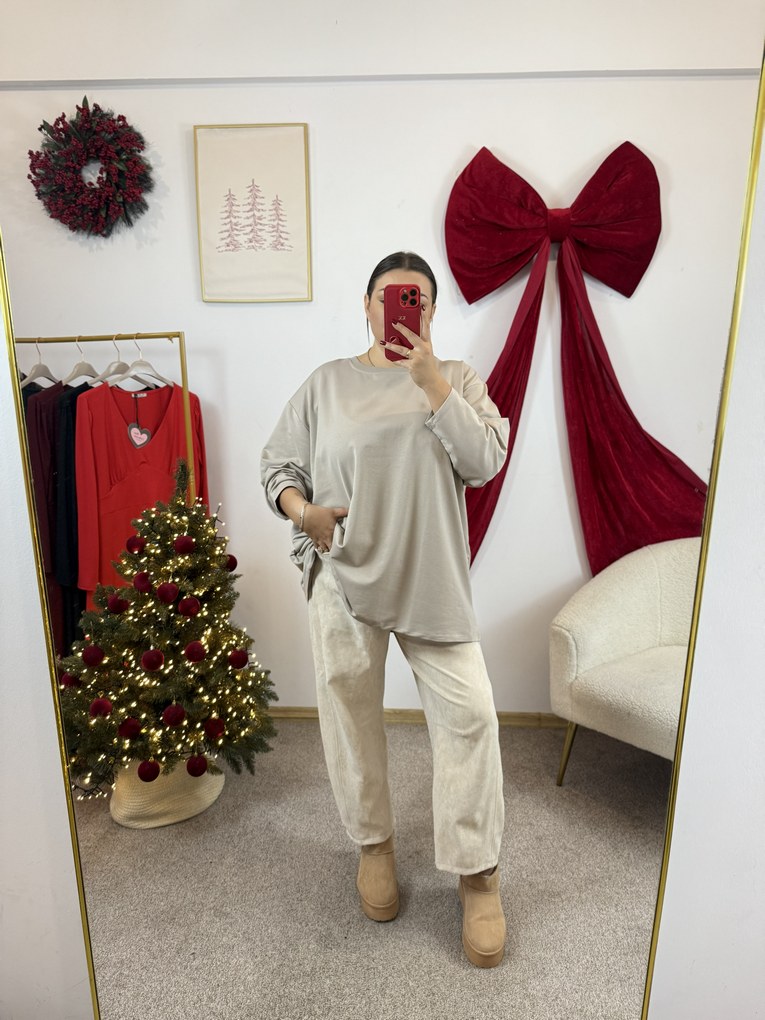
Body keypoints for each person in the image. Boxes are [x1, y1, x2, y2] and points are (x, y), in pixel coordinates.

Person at [260, 251, 510, 968]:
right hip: (343, 573)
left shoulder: (456, 378)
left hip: (431, 578)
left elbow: (484, 463)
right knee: (349, 711)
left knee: (470, 717)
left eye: (418, 299)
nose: (404, 308)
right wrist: (303, 512)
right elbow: (278, 465)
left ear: (430, 311)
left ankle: (477, 873)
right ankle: (374, 845)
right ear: (367, 306)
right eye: (391, 296)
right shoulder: (326, 384)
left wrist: (431, 382)